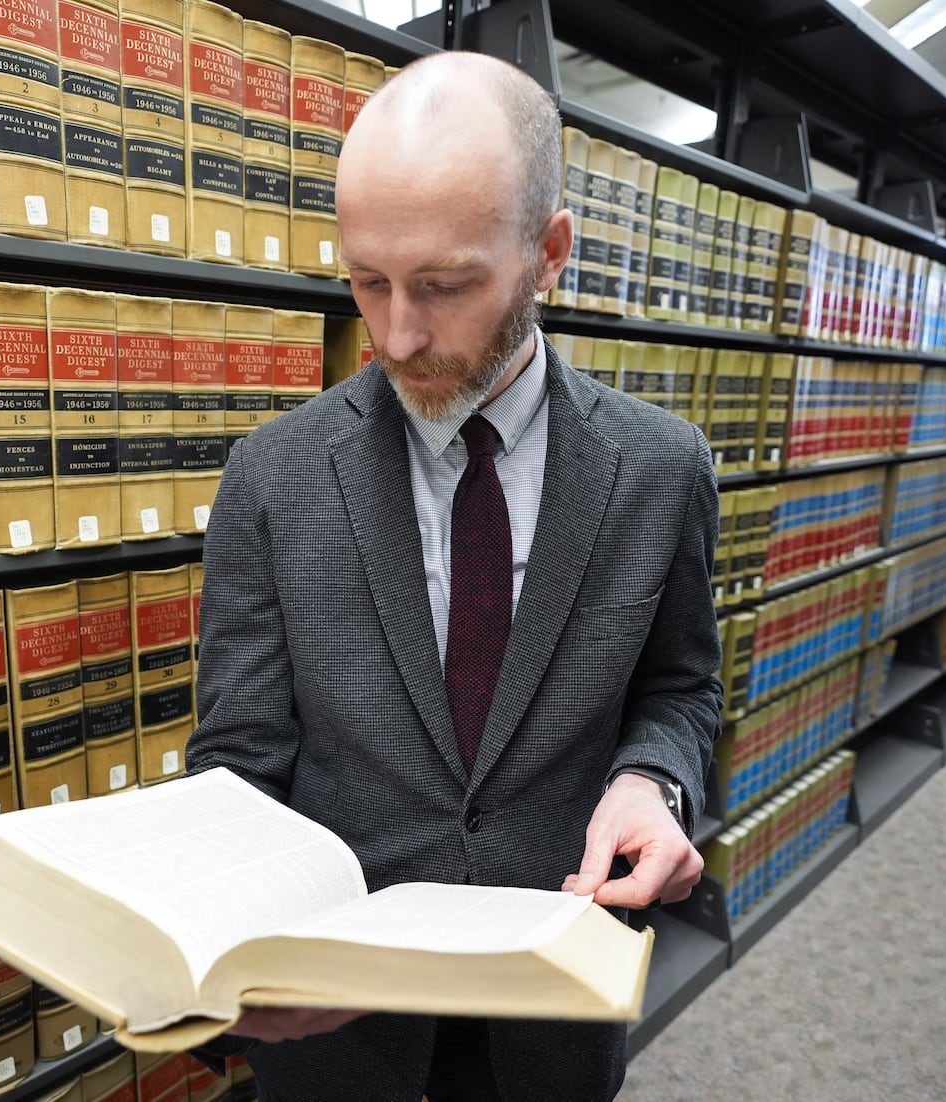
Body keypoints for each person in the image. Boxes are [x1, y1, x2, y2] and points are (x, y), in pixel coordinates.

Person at [185, 49, 723, 1102]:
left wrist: (649, 782)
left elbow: (678, 689)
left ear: (548, 252)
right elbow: (240, 757)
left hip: (551, 1008)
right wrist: (210, 948)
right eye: (366, 280)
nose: (395, 333)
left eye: (444, 286)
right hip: (336, 1028)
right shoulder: (273, 474)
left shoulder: (661, 469)